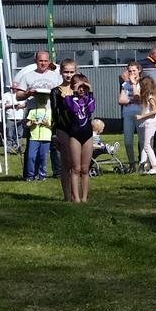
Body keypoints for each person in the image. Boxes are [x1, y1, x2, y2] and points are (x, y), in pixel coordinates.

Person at [14, 51, 63, 178]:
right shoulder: (27, 76)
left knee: (53, 145)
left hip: (51, 113)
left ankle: (56, 172)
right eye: (41, 61)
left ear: (49, 61)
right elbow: (18, 96)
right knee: (32, 146)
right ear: (36, 61)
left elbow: (62, 94)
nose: (43, 63)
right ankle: (30, 174)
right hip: (33, 114)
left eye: (46, 61)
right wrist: (28, 93)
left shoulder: (56, 76)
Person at [64, 74, 95, 202]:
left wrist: (91, 91)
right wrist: (75, 92)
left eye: (84, 86)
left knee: (85, 168)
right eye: (79, 86)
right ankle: (76, 197)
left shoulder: (88, 99)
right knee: (75, 168)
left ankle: (84, 197)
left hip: (87, 134)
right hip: (75, 135)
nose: (82, 89)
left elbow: (92, 109)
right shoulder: (68, 99)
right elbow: (74, 109)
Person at [50, 59, 76, 200]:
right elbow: (55, 113)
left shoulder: (79, 89)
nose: (69, 75)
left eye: (72, 72)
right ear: (61, 72)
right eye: (66, 72)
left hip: (78, 129)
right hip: (63, 128)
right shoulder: (55, 91)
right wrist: (55, 134)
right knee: (67, 162)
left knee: (77, 165)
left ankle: (76, 194)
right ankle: (67, 196)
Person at [118, 61, 143, 173]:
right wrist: (131, 100)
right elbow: (121, 100)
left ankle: (143, 164)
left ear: (139, 71)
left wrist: (133, 84)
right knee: (128, 141)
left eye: (134, 70)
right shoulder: (125, 84)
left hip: (141, 113)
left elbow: (139, 98)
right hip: (128, 114)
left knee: (143, 141)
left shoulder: (143, 83)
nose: (132, 73)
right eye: (130, 71)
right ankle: (132, 164)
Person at [25, 91, 52, 181]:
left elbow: (52, 125)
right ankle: (30, 175)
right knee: (31, 156)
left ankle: (42, 175)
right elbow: (27, 124)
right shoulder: (32, 111)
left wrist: (47, 123)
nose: (42, 100)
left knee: (43, 157)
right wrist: (32, 122)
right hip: (34, 137)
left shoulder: (49, 112)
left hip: (46, 136)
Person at [135, 76, 156, 175]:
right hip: (148, 122)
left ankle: (154, 166)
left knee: (146, 145)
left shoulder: (150, 97)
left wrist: (141, 116)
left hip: (150, 122)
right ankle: (149, 165)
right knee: (149, 144)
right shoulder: (148, 96)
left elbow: (155, 111)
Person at [2, 82, 26, 154]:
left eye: (16, 88)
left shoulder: (21, 95)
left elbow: (26, 104)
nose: (14, 90)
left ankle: (19, 148)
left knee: (20, 135)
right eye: (13, 88)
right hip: (10, 117)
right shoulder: (6, 95)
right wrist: (11, 106)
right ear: (10, 88)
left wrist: (21, 106)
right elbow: (2, 106)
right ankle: (8, 149)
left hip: (20, 117)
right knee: (9, 135)